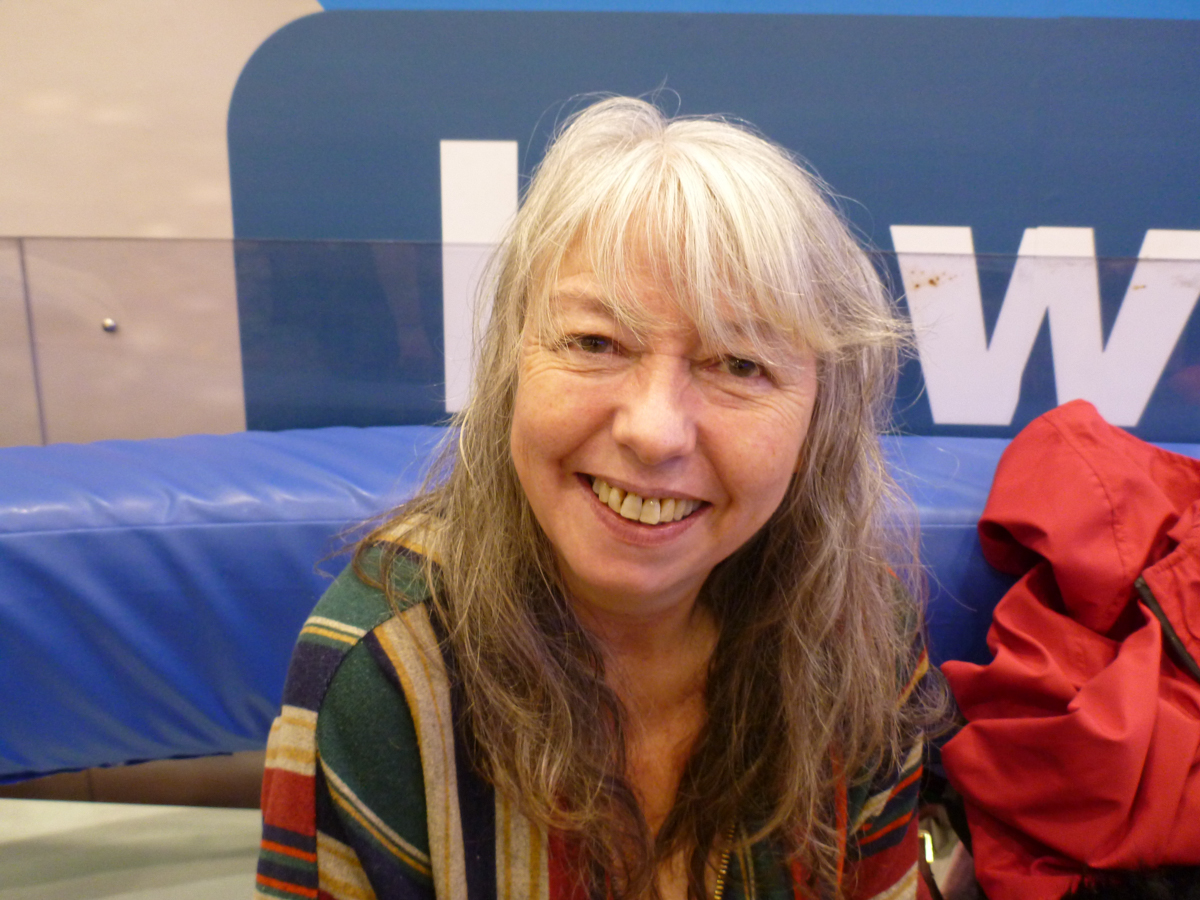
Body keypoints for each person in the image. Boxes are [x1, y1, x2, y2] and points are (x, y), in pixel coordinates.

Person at [255, 96, 940, 900]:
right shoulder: (385, 668)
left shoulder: (860, 635)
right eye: (594, 343)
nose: (654, 431)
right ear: (511, 367)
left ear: (821, 419)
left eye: (739, 364)